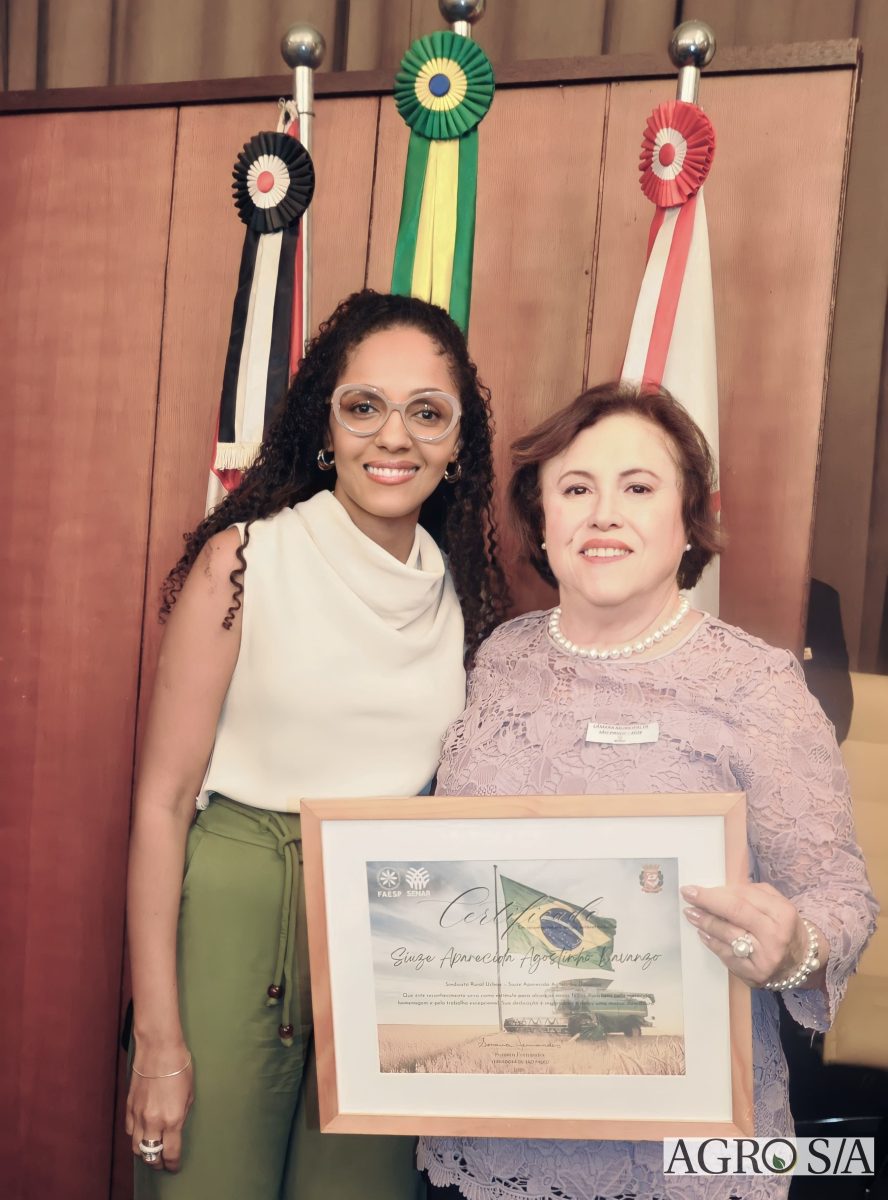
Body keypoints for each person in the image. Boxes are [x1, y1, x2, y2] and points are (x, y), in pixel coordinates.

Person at [419, 382, 877, 1200]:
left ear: (686, 518)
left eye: (638, 487)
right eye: (576, 489)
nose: (604, 515)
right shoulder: (498, 658)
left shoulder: (758, 685)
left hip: (682, 1141)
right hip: (500, 1119)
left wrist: (794, 950)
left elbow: (842, 900)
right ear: (543, 519)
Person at [125, 289, 509, 1200]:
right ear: (325, 427)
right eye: (364, 405)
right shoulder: (243, 562)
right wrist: (158, 1039)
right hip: (240, 908)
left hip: (393, 927)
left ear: (457, 445)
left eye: (427, 413)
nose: (394, 437)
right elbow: (162, 803)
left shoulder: (461, 596)